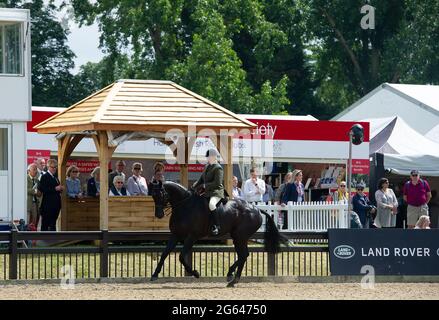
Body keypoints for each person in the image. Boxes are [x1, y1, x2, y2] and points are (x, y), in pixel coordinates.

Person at [192, 149, 224, 235]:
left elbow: (217, 183)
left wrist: (205, 186)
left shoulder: (218, 168)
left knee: (211, 204)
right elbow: (201, 179)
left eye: (208, 157)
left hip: (216, 192)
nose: (207, 159)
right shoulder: (207, 166)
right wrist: (194, 186)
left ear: (213, 157)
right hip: (207, 192)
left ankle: (217, 226)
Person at [38, 159, 64, 231]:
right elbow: (43, 189)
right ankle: (44, 240)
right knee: (46, 223)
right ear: (48, 167)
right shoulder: (44, 176)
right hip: (47, 204)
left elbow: (56, 189)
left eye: (55, 167)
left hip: (56, 204)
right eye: (52, 167)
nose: (54, 169)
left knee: (53, 223)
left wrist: (60, 189)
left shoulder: (55, 177)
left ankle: (53, 240)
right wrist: (55, 188)